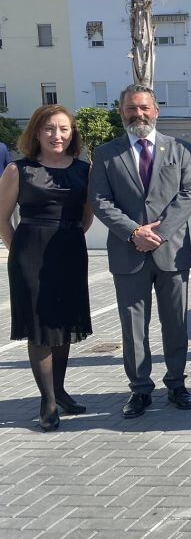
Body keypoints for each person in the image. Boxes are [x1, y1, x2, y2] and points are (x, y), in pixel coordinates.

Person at [89, 84, 191, 419]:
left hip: (172, 253)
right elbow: (99, 201)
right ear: (121, 112)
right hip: (128, 254)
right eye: (131, 109)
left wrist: (160, 233)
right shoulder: (106, 153)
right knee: (133, 327)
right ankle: (139, 390)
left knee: (175, 324)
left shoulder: (179, 148)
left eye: (144, 108)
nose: (138, 114)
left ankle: (177, 384)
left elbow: (190, 193)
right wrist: (134, 232)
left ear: (156, 111)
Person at [0, 106, 93, 431]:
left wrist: (68, 238)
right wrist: (20, 251)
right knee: (39, 327)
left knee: (63, 324)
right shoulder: (18, 169)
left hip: (69, 252)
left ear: (72, 134)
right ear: (36, 133)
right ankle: (47, 400)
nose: (57, 135)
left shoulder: (85, 169)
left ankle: (61, 390)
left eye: (64, 129)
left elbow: (87, 215)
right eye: (50, 129)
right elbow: (2, 218)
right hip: (30, 255)